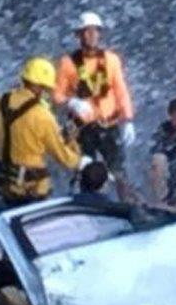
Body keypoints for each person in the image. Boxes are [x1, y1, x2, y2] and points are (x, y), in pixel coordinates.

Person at [0, 56, 87, 207]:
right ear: (41, 87)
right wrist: (81, 162)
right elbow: (63, 156)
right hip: (34, 190)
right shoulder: (43, 116)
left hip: (5, 186)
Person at [53, 12, 136, 199]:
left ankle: (129, 206)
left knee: (119, 171)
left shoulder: (111, 60)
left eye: (94, 31)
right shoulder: (68, 63)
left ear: (100, 34)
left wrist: (128, 119)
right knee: (86, 173)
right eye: (85, 31)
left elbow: (121, 91)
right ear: (79, 35)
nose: (90, 35)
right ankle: (88, 207)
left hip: (109, 124)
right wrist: (71, 102)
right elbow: (57, 95)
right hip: (84, 128)